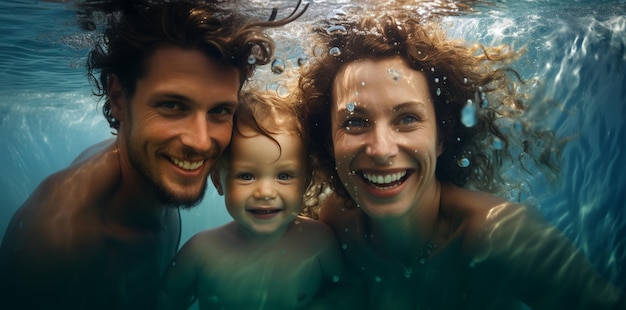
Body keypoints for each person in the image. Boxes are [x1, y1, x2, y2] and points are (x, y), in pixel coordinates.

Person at [297, 10, 625, 309]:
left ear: (442, 136)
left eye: (407, 118)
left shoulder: (500, 236)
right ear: (328, 142)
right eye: (355, 122)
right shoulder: (335, 223)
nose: (381, 149)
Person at [0, 1, 306, 309]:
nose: (200, 142)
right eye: (172, 106)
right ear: (118, 99)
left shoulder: (147, 170)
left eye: (219, 110)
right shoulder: (57, 244)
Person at [153, 88, 357, 310]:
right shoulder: (200, 253)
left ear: (306, 182)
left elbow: (349, 290)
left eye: (284, 176)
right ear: (218, 181)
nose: (265, 192)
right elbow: (166, 302)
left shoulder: (320, 242)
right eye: (246, 176)